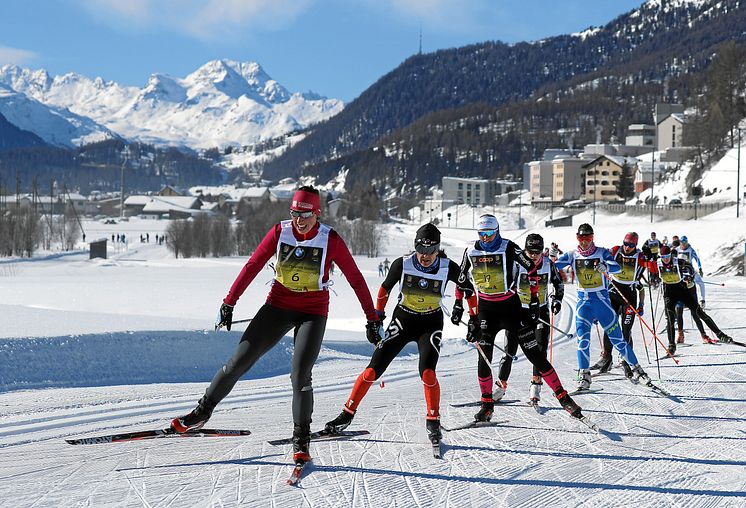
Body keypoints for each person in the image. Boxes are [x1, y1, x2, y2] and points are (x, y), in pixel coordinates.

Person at [170, 186, 381, 467]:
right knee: (238, 362)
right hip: (277, 308)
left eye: (305, 214)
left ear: (316, 213)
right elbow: (253, 264)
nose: (299, 220)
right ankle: (201, 412)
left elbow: (355, 278)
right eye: (294, 213)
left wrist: (371, 317)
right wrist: (229, 302)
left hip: (312, 313)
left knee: (300, 375)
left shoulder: (330, 239)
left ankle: (301, 441)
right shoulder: (280, 232)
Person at [324, 223, 475, 446]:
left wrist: (474, 317)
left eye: (430, 252)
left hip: (430, 324)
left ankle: (433, 421)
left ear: (437, 249)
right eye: (421, 251)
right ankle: (346, 415)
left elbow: (468, 288)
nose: (425, 257)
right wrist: (376, 318)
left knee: (428, 373)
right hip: (403, 320)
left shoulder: (447, 266)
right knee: (373, 369)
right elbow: (385, 289)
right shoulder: (402, 264)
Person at [454, 215, 582, 421]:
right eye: (481, 234)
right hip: (486, 309)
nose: (486, 238)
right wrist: (459, 306)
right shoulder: (470, 250)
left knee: (535, 354)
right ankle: (487, 404)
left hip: (511, 307)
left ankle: (563, 397)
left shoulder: (508, 247)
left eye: (489, 234)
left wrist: (533, 300)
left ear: (497, 231)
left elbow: (531, 268)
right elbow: (461, 279)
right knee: (484, 356)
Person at [554, 224, 652, 391]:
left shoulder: (602, 252)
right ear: (577, 237)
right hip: (583, 304)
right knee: (582, 341)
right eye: (581, 238)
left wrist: (606, 267)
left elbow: (617, 267)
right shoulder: (572, 254)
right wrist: (546, 262)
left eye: (588, 238)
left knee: (619, 340)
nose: (584, 242)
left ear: (593, 237)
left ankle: (638, 370)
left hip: (603, 303)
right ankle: (584, 376)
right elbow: (554, 266)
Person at [495, 233, 578, 407]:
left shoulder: (548, 264)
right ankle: (501, 386)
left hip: (540, 312)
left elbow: (558, 283)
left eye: (537, 251)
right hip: (518, 311)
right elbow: (507, 284)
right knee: (510, 350)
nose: (534, 255)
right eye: (530, 251)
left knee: (539, 352)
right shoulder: (518, 263)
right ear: (525, 250)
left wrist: (557, 300)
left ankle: (536, 385)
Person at [590, 232, 647, 378]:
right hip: (614, 292)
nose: (627, 248)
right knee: (609, 326)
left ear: (636, 245)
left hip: (629, 295)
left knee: (625, 330)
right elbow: (599, 257)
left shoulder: (639, 257)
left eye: (631, 245)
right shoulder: (615, 250)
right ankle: (606, 358)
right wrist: (599, 265)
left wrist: (652, 259)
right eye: (626, 244)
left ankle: (626, 360)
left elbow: (652, 268)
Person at [657, 245, 732, 352]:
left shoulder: (678, 262)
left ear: (671, 255)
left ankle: (720, 335)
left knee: (699, 313)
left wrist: (689, 277)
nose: (666, 259)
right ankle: (671, 345)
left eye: (667, 256)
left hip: (682, 291)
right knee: (670, 319)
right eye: (663, 257)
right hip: (669, 294)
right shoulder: (658, 262)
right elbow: (646, 265)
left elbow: (691, 268)